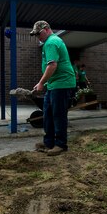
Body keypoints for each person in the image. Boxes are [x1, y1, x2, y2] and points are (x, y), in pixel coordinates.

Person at [30, 20, 77, 156]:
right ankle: (48, 142)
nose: (38, 37)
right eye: (35, 35)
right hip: (54, 84)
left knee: (58, 115)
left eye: (38, 33)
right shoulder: (49, 42)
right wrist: (44, 83)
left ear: (46, 29)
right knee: (48, 114)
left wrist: (40, 83)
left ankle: (61, 144)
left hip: (62, 84)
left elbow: (52, 66)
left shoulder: (51, 42)